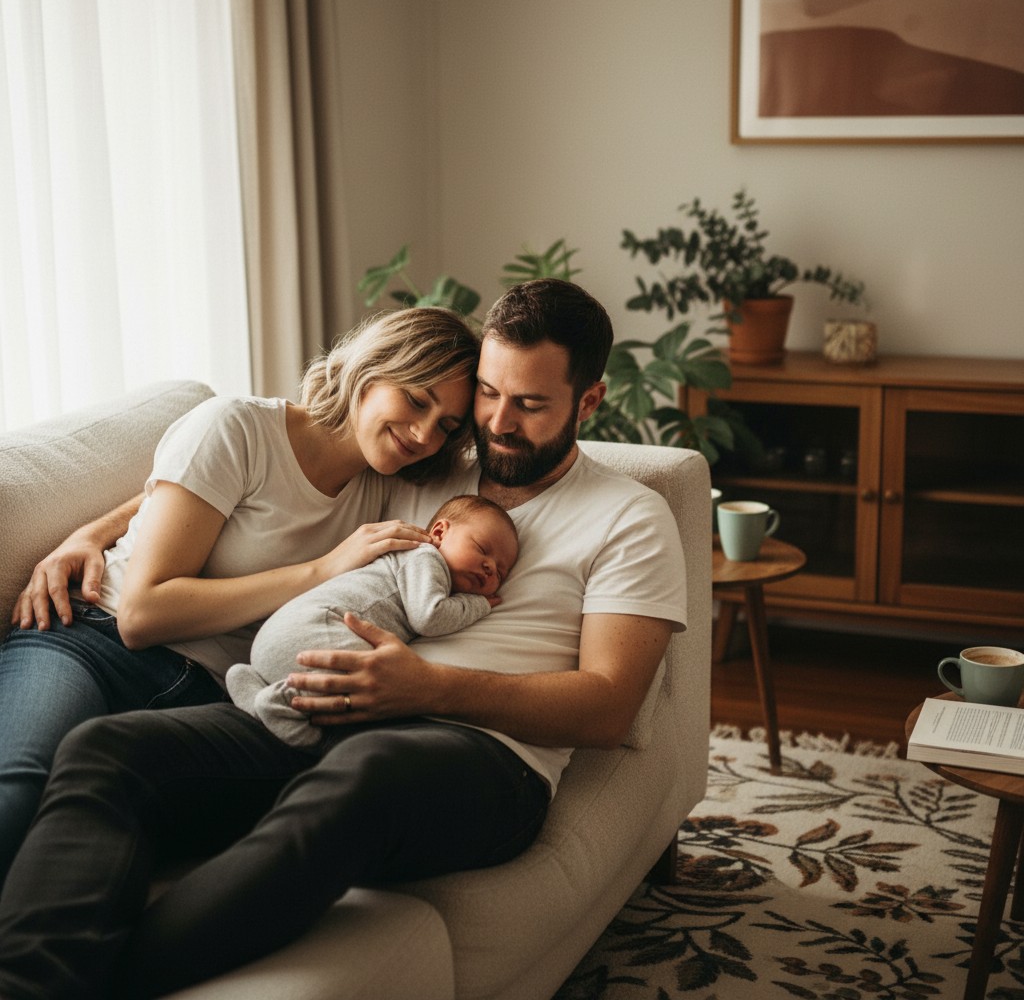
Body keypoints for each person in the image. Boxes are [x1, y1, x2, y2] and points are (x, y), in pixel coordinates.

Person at [0, 279, 688, 1000]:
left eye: (530, 403)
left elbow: (610, 708)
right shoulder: (428, 472)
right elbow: (249, 456)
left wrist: (432, 688)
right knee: (106, 752)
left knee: (366, 775)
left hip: (478, 755)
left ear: (589, 402)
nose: (497, 421)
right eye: (487, 394)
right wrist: (87, 534)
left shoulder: (629, 517)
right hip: (325, 713)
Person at [0, 306, 479, 885]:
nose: (427, 435)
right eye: (417, 400)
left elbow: (176, 491)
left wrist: (100, 527)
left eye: (449, 426)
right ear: (370, 370)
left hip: (217, 693)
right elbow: (141, 615)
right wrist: (322, 568)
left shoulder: (391, 489)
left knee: (103, 828)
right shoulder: (240, 426)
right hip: (93, 642)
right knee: (21, 794)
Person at [228, 494, 518, 746]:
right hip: (314, 629)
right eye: (482, 549)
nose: (490, 567)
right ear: (440, 532)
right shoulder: (425, 557)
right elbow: (429, 617)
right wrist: (478, 604)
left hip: (283, 635)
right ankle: (281, 702)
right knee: (368, 687)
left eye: (501, 573)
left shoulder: (409, 564)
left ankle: (255, 688)